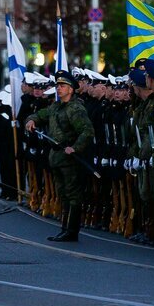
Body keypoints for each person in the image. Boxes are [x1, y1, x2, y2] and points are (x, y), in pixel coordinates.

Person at [26, 70, 94, 242]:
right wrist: (31, 120)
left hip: (69, 158)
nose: (58, 89)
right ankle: (64, 228)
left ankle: (71, 230)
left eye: (62, 86)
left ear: (71, 89)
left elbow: (87, 131)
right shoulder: (56, 107)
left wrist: (75, 147)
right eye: (58, 85)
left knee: (73, 195)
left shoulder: (75, 108)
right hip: (57, 158)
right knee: (63, 194)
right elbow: (41, 115)